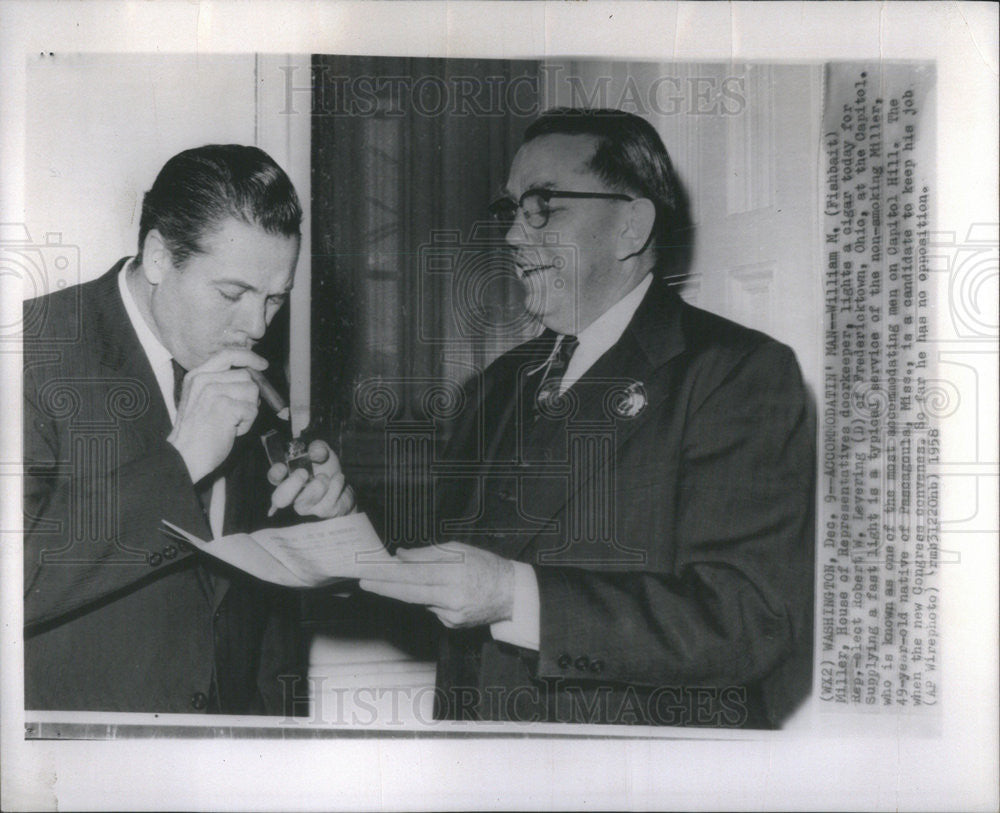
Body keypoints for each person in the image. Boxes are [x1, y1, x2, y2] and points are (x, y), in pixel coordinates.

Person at [356, 109, 815, 728]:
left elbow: (745, 621)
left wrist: (509, 597)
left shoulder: (735, 373)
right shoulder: (495, 386)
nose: (515, 236)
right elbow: (446, 571)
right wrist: (339, 518)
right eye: (513, 210)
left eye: (544, 206)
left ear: (631, 225)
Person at [22, 144, 354, 714]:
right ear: (157, 257)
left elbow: (255, 611)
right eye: (232, 294)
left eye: (276, 299)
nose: (255, 326)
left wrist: (329, 524)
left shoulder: (247, 373)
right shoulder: (27, 354)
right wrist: (180, 464)